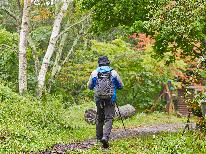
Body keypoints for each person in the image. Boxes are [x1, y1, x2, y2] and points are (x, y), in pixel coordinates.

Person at [87, 56, 123, 148]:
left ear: (99, 63)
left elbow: (90, 86)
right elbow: (121, 86)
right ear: (108, 63)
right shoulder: (113, 72)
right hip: (111, 99)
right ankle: (105, 137)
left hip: (99, 99)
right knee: (109, 118)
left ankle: (99, 138)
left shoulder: (94, 72)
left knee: (99, 118)